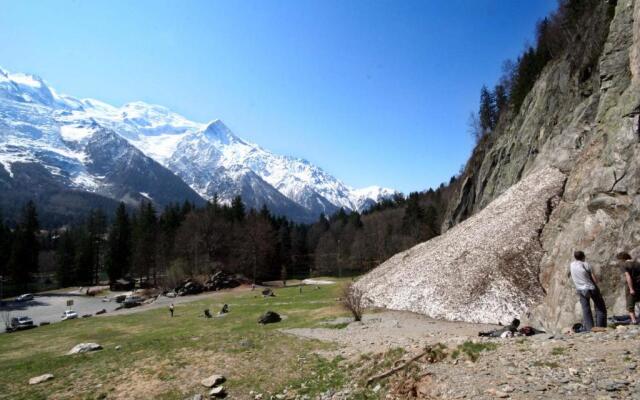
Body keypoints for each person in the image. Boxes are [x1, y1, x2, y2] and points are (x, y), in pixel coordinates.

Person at [569, 250, 606, 331]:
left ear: (575, 257)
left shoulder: (571, 265)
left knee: (586, 309)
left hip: (580, 289)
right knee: (600, 307)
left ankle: (590, 328)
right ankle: (601, 326)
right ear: (583, 256)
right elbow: (594, 279)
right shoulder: (586, 265)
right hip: (590, 288)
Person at [618, 252, 640, 324]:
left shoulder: (624, 265)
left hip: (631, 286)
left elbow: (628, 276)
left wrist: (631, 288)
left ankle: (634, 321)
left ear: (622, 259)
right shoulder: (637, 263)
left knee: (630, 304)